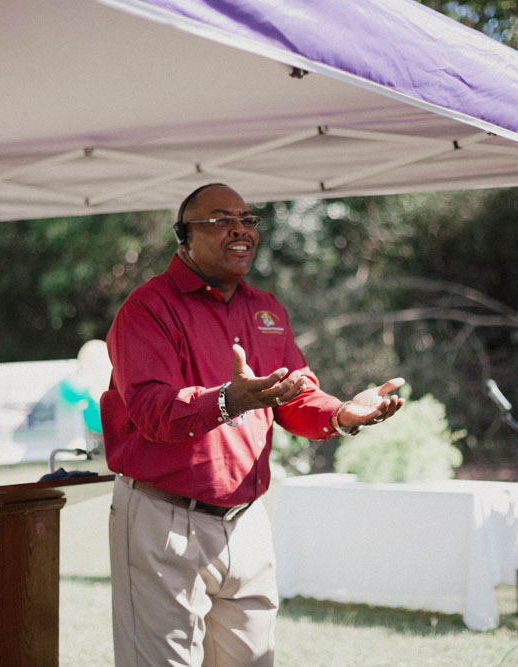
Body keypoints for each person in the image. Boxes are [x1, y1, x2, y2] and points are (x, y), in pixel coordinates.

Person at [100, 183, 405, 667]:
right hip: (164, 517)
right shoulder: (148, 309)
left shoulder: (265, 309)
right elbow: (153, 411)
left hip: (245, 520)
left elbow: (296, 394)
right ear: (184, 237)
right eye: (221, 220)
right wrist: (227, 400)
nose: (241, 229)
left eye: (247, 219)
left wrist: (342, 414)